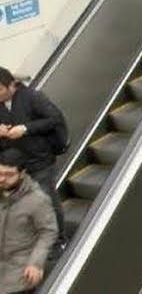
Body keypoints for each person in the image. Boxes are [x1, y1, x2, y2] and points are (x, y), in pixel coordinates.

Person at [0, 66, 66, 248]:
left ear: (12, 85)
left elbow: (54, 118)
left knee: (47, 201)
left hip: (40, 159)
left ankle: (57, 242)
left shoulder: (32, 97)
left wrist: (25, 129)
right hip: (14, 165)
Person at [0, 148, 58, 294]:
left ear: (22, 173)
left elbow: (48, 232)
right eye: (0, 173)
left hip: (18, 276)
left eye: (9, 174)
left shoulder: (37, 200)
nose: (2, 179)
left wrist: (36, 263)